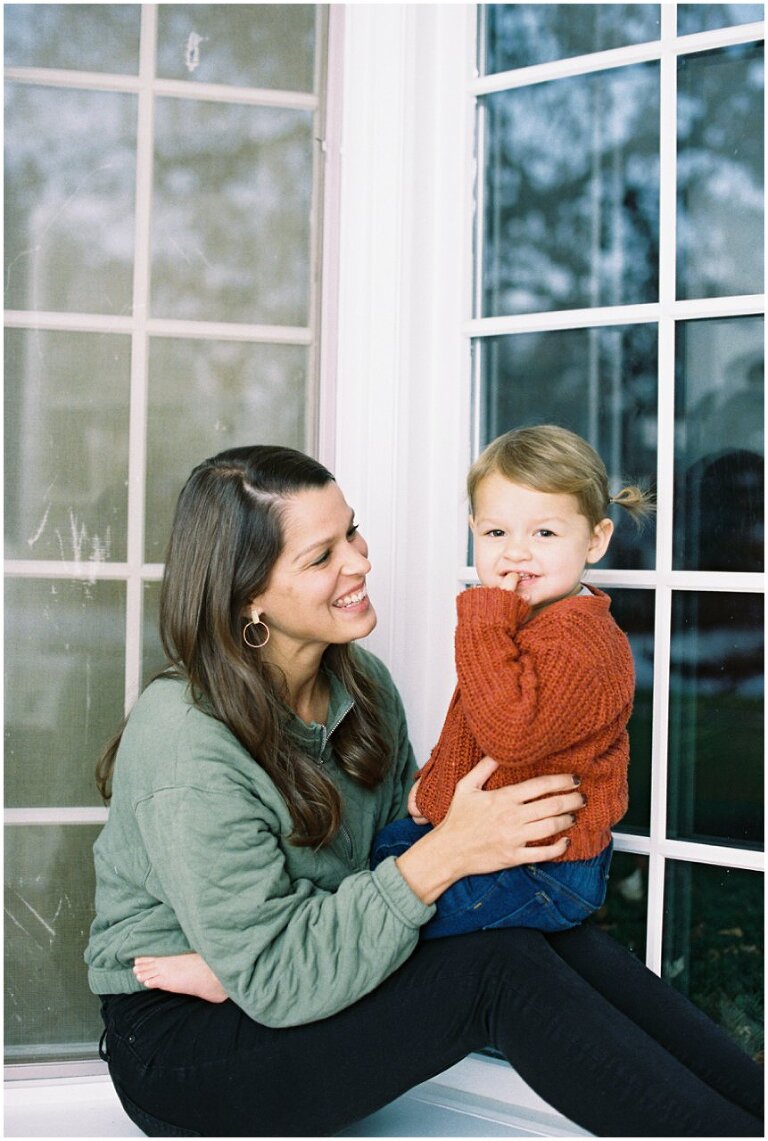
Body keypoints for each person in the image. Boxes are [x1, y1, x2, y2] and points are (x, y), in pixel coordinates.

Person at [85, 444, 763, 1138]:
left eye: (352, 530)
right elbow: (288, 973)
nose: (359, 560)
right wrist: (453, 849)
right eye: (322, 556)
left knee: (540, 930)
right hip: (190, 1050)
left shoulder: (362, 686)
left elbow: (376, 881)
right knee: (497, 966)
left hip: (288, 980)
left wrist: (476, 841)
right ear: (248, 592)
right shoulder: (187, 738)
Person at [370, 424, 652, 938]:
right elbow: (472, 720)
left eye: (544, 533)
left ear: (595, 540)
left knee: (389, 922)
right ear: (474, 529)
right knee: (382, 852)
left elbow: (510, 734)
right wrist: (432, 787)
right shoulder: (531, 619)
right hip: (508, 848)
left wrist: (483, 617)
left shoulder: (579, 641)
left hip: (546, 868)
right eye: (497, 533)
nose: (517, 553)